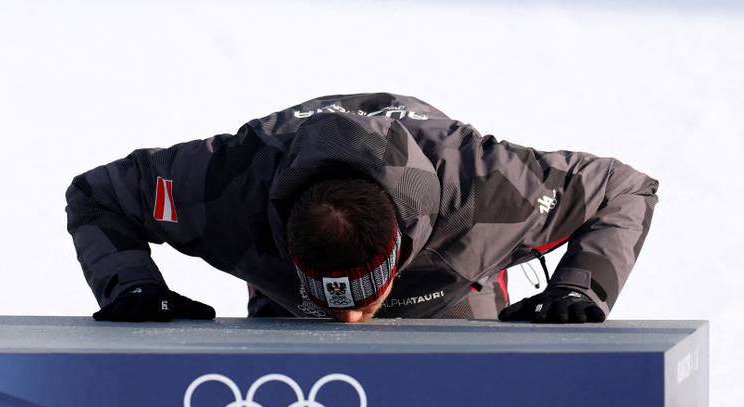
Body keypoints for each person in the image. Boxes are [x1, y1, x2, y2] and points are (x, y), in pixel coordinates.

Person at [64, 92, 658, 324]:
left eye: (364, 298)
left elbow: (624, 189)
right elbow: (98, 195)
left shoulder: (493, 189)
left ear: (396, 249)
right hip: (283, 294)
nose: (351, 325)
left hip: (445, 285)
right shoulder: (224, 189)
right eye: (332, 301)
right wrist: (130, 286)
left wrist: (580, 288)